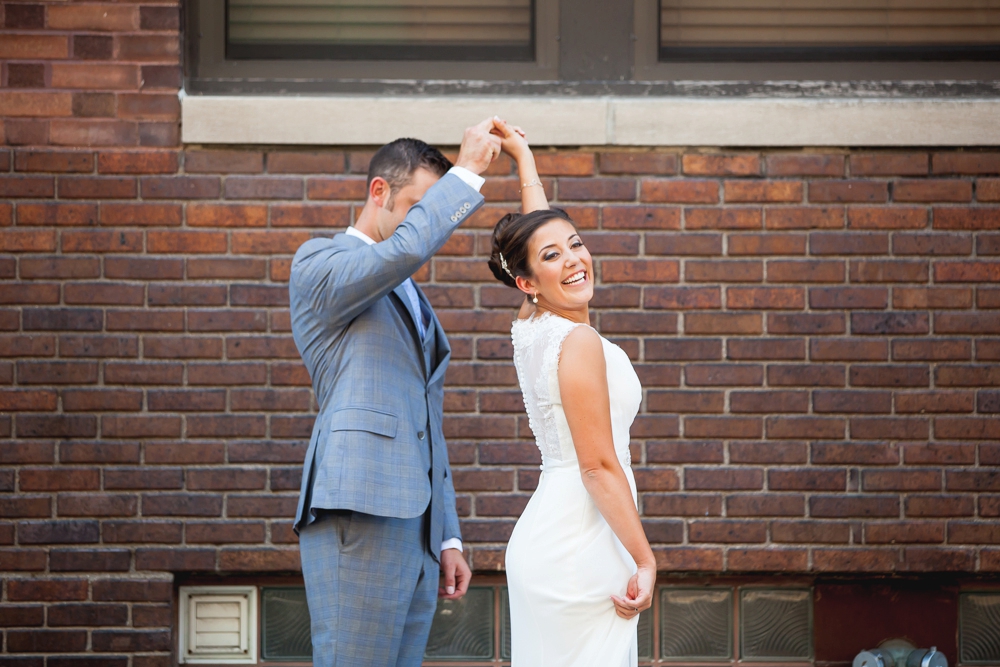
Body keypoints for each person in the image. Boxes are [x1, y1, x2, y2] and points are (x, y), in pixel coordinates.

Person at [289, 119, 502, 667]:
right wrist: (468, 175)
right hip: (359, 506)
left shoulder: (407, 292)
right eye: (418, 205)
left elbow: (425, 420)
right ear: (378, 193)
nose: (425, 222)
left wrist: (448, 536)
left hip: (417, 526)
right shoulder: (321, 264)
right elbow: (404, 251)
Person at [487, 120, 656, 667]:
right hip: (579, 548)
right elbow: (598, 468)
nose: (574, 259)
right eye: (554, 257)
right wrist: (646, 560)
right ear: (528, 283)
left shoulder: (531, 326)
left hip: (551, 539)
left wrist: (524, 160)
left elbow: (533, 238)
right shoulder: (578, 341)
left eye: (576, 244)